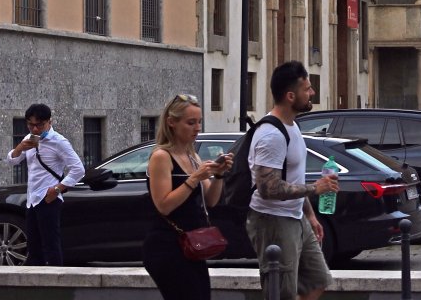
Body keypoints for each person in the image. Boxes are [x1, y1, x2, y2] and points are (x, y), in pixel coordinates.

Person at [247, 61, 337, 300]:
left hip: (295, 216)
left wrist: (309, 214)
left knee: (318, 280)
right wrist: (314, 189)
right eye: (307, 89)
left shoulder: (292, 127)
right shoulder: (270, 135)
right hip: (273, 220)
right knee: (282, 292)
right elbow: (268, 188)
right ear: (290, 96)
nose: (312, 93)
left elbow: (292, 176)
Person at [143, 93, 232, 299]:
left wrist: (218, 175)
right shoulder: (161, 157)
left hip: (192, 245)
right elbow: (164, 205)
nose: (197, 128)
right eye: (191, 122)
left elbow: (211, 200)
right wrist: (194, 178)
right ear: (171, 122)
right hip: (166, 246)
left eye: (199, 122)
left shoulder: (193, 156)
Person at [5, 103, 83, 266]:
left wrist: (57, 189)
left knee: (51, 244)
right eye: (30, 125)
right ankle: (37, 283)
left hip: (49, 198)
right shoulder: (29, 139)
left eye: (39, 125)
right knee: (33, 245)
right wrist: (20, 148)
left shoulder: (59, 142)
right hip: (32, 199)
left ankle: (57, 283)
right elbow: (12, 161)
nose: (35, 129)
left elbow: (78, 169)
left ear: (49, 122)